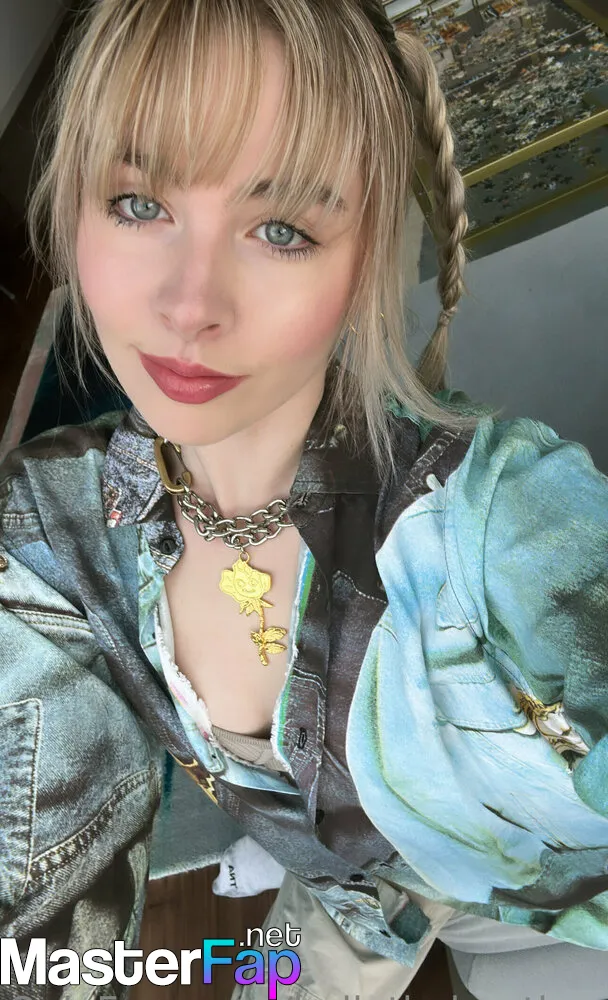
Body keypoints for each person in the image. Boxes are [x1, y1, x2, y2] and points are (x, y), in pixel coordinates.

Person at [2, 0, 607, 997]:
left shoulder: (500, 520)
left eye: (279, 229)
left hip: (536, 913)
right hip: (349, 895)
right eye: (139, 204)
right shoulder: (53, 526)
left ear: (364, 260)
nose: (189, 304)